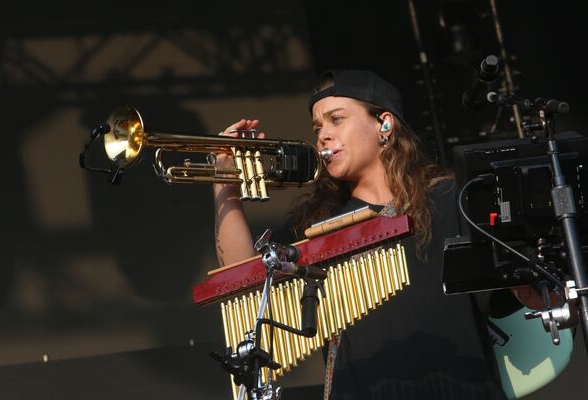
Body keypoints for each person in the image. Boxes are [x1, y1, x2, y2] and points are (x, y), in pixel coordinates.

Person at [213, 69, 514, 399]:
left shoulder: (451, 199)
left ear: (384, 124)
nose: (323, 136)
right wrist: (224, 183)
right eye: (318, 127)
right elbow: (240, 278)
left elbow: (510, 294)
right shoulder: (316, 225)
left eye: (336, 119)